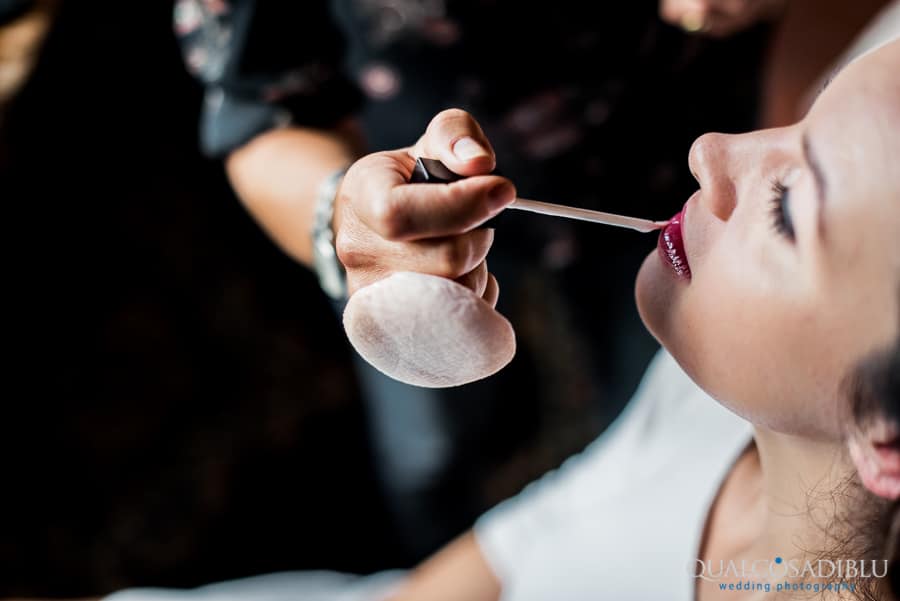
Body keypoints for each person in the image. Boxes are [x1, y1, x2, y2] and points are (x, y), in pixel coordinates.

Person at [99, 31, 900, 601]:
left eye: (790, 206)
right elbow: (542, 536)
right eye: (807, 108)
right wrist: (348, 217)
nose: (712, 148)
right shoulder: (715, 400)